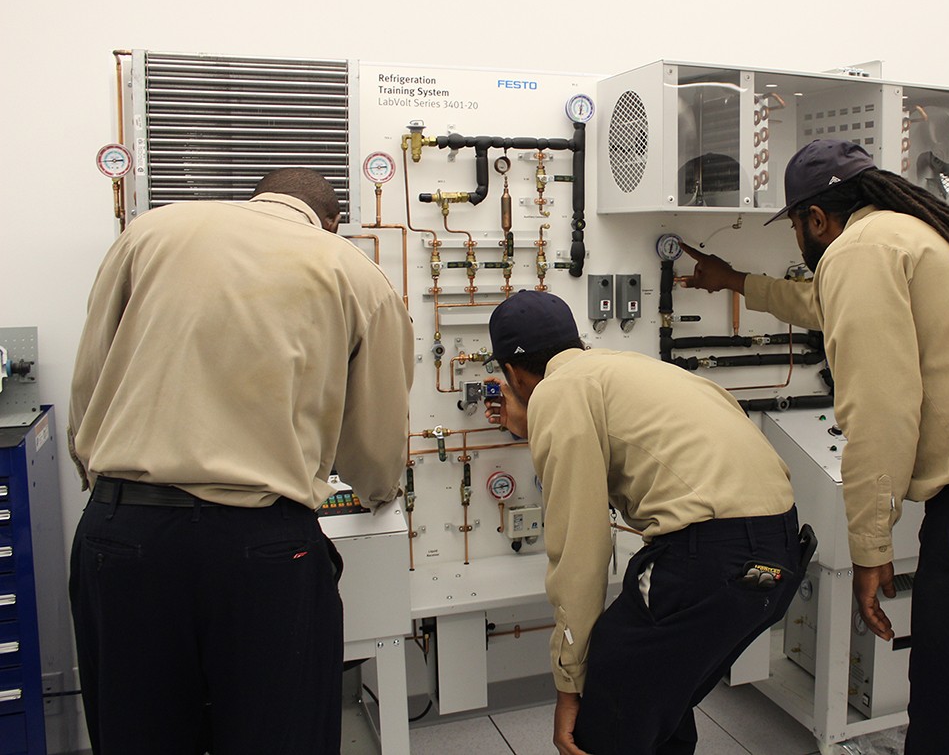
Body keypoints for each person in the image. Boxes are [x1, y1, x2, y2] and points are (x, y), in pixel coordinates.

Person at [679, 139, 949, 754]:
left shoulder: (859, 252)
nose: (799, 239)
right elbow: (823, 304)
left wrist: (871, 545)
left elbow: (880, 413)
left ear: (816, 219)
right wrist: (736, 282)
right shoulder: (911, 235)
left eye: (796, 225)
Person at [67, 168, 414, 755]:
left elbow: (91, 378)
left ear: (254, 196)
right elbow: (376, 443)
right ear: (332, 221)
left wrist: (100, 481)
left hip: (125, 536)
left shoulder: (151, 232)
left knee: (136, 734)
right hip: (262, 551)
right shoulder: (353, 270)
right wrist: (377, 491)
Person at [483, 290, 810, 755]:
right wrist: (534, 420)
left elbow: (580, 549)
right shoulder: (627, 367)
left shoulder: (557, 391)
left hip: (710, 559)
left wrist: (569, 685)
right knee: (659, 692)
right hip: (775, 558)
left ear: (513, 374)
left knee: (606, 704)